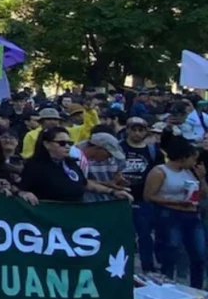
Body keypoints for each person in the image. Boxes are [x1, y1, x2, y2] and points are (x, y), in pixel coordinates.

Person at [143, 130, 206, 289]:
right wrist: (175, 202)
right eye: (192, 157)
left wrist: (201, 178)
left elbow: (202, 194)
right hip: (170, 214)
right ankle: (168, 284)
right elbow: (149, 196)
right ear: (183, 156)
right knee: (171, 252)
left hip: (192, 215)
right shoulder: (160, 171)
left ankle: (196, 287)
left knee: (199, 254)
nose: (195, 161)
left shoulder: (190, 172)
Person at [18, 127, 131, 204]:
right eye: (62, 143)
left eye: (70, 143)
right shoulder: (34, 166)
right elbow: (18, 188)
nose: (67, 146)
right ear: (47, 144)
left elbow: (84, 183)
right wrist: (24, 193)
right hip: (48, 219)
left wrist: (112, 192)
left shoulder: (70, 162)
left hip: (74, 215)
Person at [121, 117, 163, 274]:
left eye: (141, 130)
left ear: (146, 132)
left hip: (143, 198)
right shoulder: (119, 148)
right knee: (124, 235)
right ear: (127, 130)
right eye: (134, 129)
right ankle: (123, 267)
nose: (137, 133)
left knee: (145, 234)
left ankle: (148, 267)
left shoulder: (153, 151)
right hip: (122, 197)